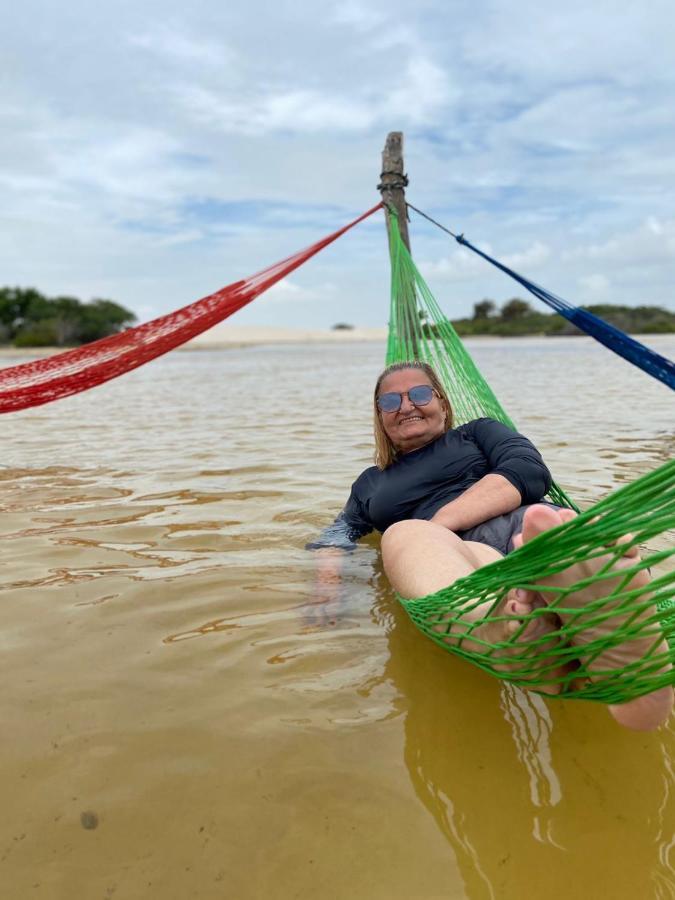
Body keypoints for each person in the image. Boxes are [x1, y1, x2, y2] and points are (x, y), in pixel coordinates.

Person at [309, 360, 673, 731]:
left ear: (443, 403)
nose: (405, 407)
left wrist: (439, 525)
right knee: (402, 534)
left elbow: (529, 471)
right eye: (390, 402)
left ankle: (591, 626)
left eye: (418, 394)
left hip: (525, 525)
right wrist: (327, 587)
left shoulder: (477, 432)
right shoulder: (369, 483)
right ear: (380, 416)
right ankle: (514, 627)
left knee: (561, 535)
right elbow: (336, 535)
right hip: (457, 560)